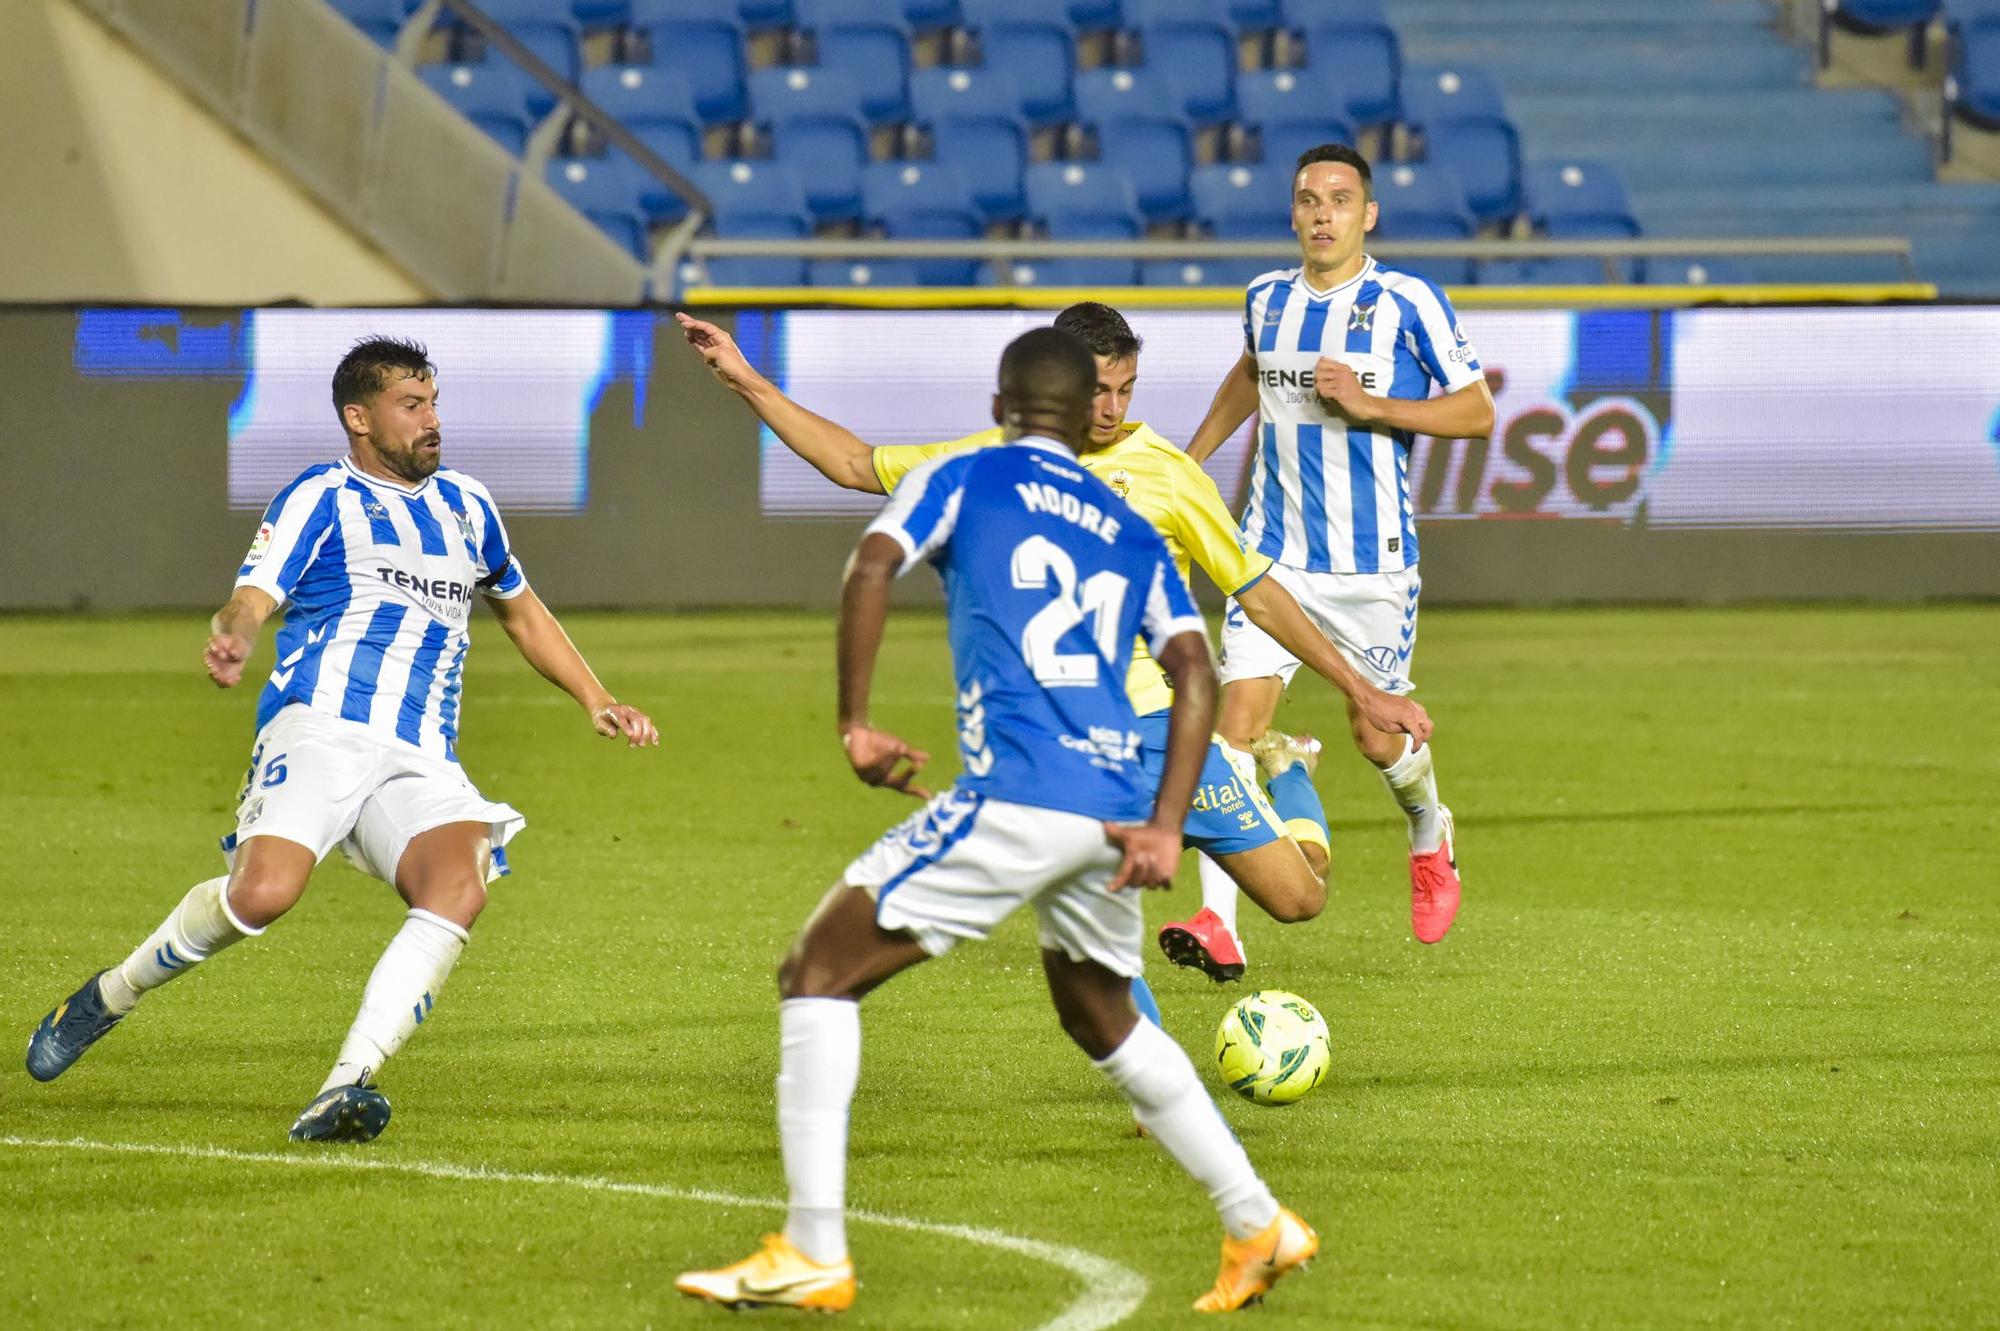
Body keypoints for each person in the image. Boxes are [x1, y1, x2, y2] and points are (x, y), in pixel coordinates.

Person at [675, 328, 1317, 1314]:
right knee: (1096, 1010)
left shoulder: (967, 473)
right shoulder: (1123, 519)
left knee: (817, 972)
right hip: (1111, 806)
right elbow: (1194, 669)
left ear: (1000, 401)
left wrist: (854, 720)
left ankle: (811, 1245)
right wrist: (1161, 821)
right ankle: (1255, 1221)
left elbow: (871, 565)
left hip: (1020, 792)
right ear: (1080, 409)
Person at [676, 302, 1430, 988]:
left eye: (1126, 389)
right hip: (1066, 748)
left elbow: (1258, 592)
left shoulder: (1168, 476)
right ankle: (1152, 1097)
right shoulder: (997, 457)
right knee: (1092, 929)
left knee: (1301, 899)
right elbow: (853, 464)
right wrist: (746, 380)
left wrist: (1361, 689)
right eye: (1099, 389)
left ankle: (1283, 768)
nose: (1111, 408)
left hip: (1168, 739)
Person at [25, 336, 658, 1142]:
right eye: (412, 405)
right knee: (262, 896)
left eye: (434, 402)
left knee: (458, 886)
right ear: (359, 418)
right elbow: (251, 596)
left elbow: (522, 609)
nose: (433, 420)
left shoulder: (468, 504)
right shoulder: (318, 495)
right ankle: (110, 994)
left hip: (422, 749)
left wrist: (595, 697)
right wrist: (234, 634)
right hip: (321, 723)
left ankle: (344, 1084)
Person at [1168, 143, 1496, 967]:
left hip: (1371, 564)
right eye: (1309, 199)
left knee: (1378, 736)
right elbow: (1251, 371)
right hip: (1270, 555)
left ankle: (1429, 829)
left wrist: (1372, 401)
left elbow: (1477, 412)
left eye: (1340, 199)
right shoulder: (1264, 298)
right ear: (1292, 213)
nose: (1323, 213)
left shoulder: (1406, 300)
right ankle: (1221, 925)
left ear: (1367, 214)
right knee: (1231, 729)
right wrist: (1192, 455)